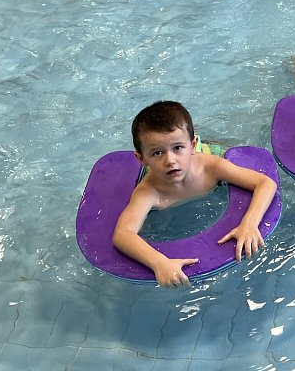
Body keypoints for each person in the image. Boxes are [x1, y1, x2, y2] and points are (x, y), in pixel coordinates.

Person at [112, 101, 278, 288]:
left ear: (192, 145)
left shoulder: (212, 168)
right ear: (142, 159)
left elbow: (266, 183)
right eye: (157, 153)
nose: (170, 160)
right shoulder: (148, 192)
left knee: (219, 147)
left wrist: (249, 223)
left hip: (208, 154)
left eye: (177, 148)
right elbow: (123, 234)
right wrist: (159, 263)